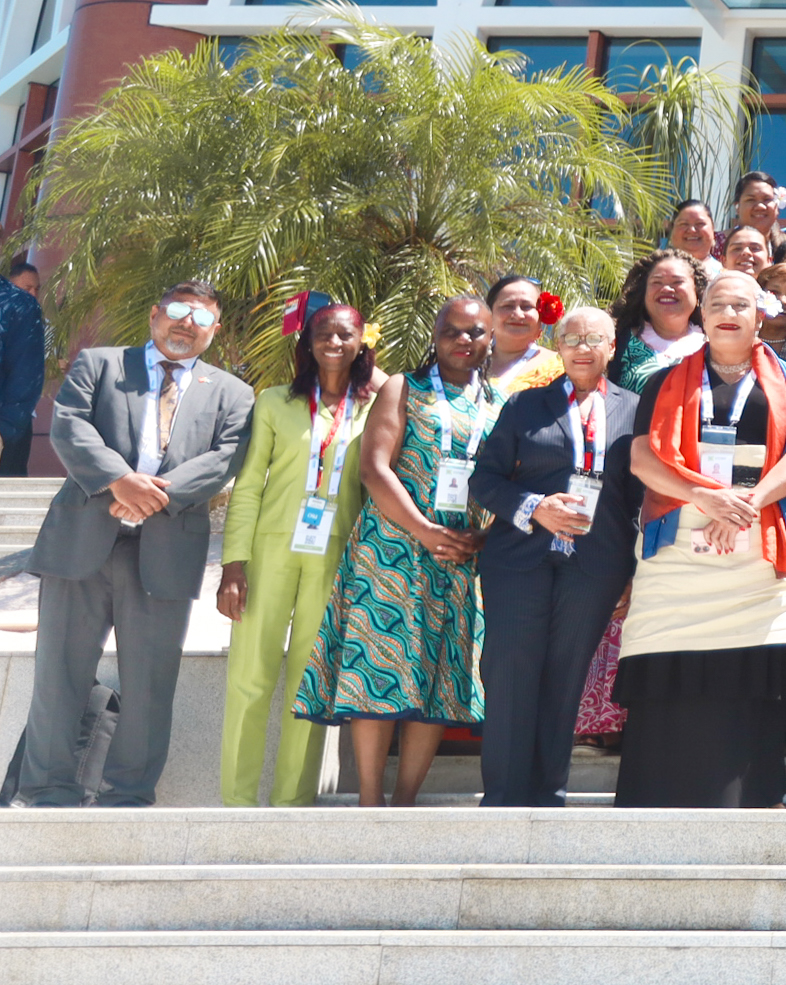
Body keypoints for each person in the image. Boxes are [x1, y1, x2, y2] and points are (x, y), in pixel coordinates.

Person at [19, 281, 255, 807]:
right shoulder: (100, 365)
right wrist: (119, 482)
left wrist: (150, 498)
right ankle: (46, 790)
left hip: (166, 551)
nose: (185, 323)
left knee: (150, 684)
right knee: (59, 674)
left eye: (200, 318)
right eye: (176, 311)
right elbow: (70, 426)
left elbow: (225, 459)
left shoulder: (234, 393)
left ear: (214, 331)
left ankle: (127, 793)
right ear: (154, 315)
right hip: (81, 540)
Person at [617, 270, 786, 808]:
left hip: (759, 541)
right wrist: (706, 499)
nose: (727, 313)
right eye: (715, 305)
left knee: (749, 674)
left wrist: (744, 505)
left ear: (761, 316)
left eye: (740, 304)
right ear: (700, 316)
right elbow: (641, 458)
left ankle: (750, 794)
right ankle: (656, 794)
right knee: (667, 664)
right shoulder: (664, 380)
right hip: (680, 540)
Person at [296, 298, 497, 806]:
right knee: (375, 671)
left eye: (475, 331)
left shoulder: (500, 403)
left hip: (457, 558)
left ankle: (405, 798)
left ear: (490, 337)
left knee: (436, 676)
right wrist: (424, 529)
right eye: (451, 330)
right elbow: (375, 469)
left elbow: (505, 481)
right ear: (435, 334)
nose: (462, 340)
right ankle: (369, 798)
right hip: (391, 550)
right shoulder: (402, 387)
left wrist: (483, 537)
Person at [470, 304, 641, 807]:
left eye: (594, 339)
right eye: (571, 338)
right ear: (557, 347)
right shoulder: (525, 406)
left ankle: (548, 795)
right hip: (519, 558)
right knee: (510, 670)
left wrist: (632, 570)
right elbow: (485, 480)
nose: (582, 348)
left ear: (612, 348)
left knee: (566, 676)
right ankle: (502, 795)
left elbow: (640, 499)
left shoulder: (635, 410)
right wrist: (535, 507)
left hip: (596, 564)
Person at [217, 297, 379, 806]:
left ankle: (293, 802)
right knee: (250, 677)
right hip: (270, 550)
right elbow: (247, 488)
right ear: (307, 342)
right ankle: (237, 803)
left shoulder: (376, 405)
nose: (334, 343)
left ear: (361, 343)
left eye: (345, 335)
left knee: (311, 683)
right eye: (324, 334)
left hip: (337, 556)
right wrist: (233, 564)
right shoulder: (273, 402)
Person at [612, 252, 703, 393]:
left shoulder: (714, 343)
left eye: (677, 282)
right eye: (657, 282)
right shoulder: (617, 341)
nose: (666, 289)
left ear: (697, 291)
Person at [0, 254, 48, 476]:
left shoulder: (19, 305)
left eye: (37, 288)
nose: (34, 293)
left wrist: (5, 432)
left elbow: (25, 376)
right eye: (29, 287)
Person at [482, 274, 565, 398]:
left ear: (541, 315)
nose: (517, 314)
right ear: (489, 313)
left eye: (527, 307)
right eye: (507, 306)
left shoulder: (560, 368)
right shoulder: (468, 361)